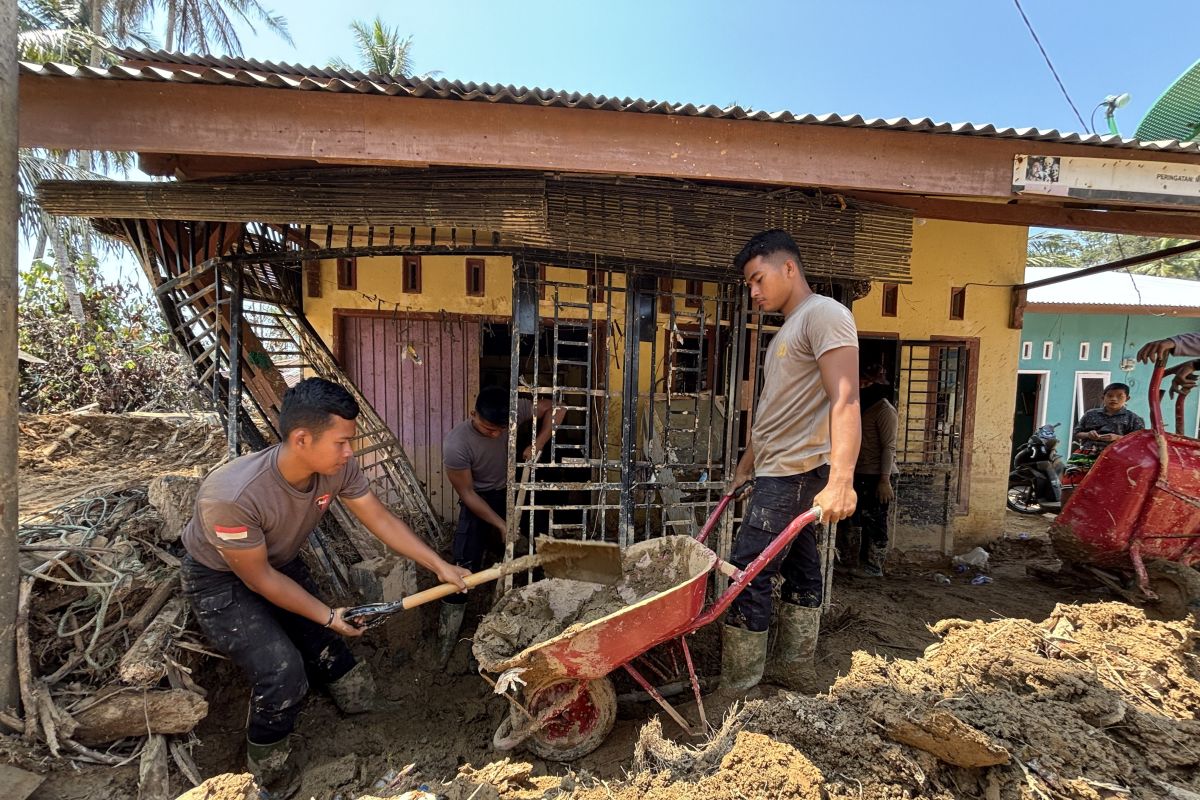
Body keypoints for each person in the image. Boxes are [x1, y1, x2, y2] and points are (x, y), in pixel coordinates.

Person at [180, 378, 469, 794]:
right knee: (282, 671)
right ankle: (263, 773)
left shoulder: (337, 468)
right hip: (219, 578)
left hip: (277, 561)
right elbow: (258, 580)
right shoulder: (230, 496)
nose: (350, 452)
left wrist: (438, 565)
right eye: (342, 442)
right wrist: (329, 614)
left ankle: (361, 702)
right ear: (301, 438)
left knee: (323, 640)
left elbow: (381, 520)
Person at [722, 229, 860, 694]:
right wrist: (747, 462)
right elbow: (776, 409)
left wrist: (842, 479)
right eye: (749, 285)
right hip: (777, 466)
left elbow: (845, 398)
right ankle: (794, 668)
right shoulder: (790, 329)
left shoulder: (824, 315)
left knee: (748, 570)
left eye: (758, 280)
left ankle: (739, 686)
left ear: (789, 268)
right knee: (801, 567)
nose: (755, 292)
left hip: (796, 471)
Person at [438, 385, 563, 666]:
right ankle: (447, 641)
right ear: (473, 415)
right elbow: (467, 494)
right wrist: (501, 524)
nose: (495, 434)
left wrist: (537, 443)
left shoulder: (516, 408)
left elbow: (558, 408)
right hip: (480, 498)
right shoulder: (456, 445)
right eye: (488, 428)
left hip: (512, 490)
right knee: (464, 561)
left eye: (501, 429)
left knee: (543, 539)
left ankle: (550, 608)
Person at [849, 363, 898, 578]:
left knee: (876, 520)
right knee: (856, 518)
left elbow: (889, 446)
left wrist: (884, 480)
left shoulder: (884, 410)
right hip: (860, 472)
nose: (865, 386)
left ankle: (874, 566)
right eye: (864, 382)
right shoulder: (861, 406)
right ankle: (855, 562)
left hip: (877, 475)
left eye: (870, 383)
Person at [1066, 382, 1145, 472]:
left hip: (1118, 457)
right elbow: (1077, 433)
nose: (1114, 399)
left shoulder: (1133, 418)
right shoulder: (1090, 414)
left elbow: (1139, 441)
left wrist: (1117, 438)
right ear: (1103, 398)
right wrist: (1088, 434)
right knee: (1072, 480)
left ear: (1127, 398)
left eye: (1119, 396)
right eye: (1110, 396)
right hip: (1087, 455)